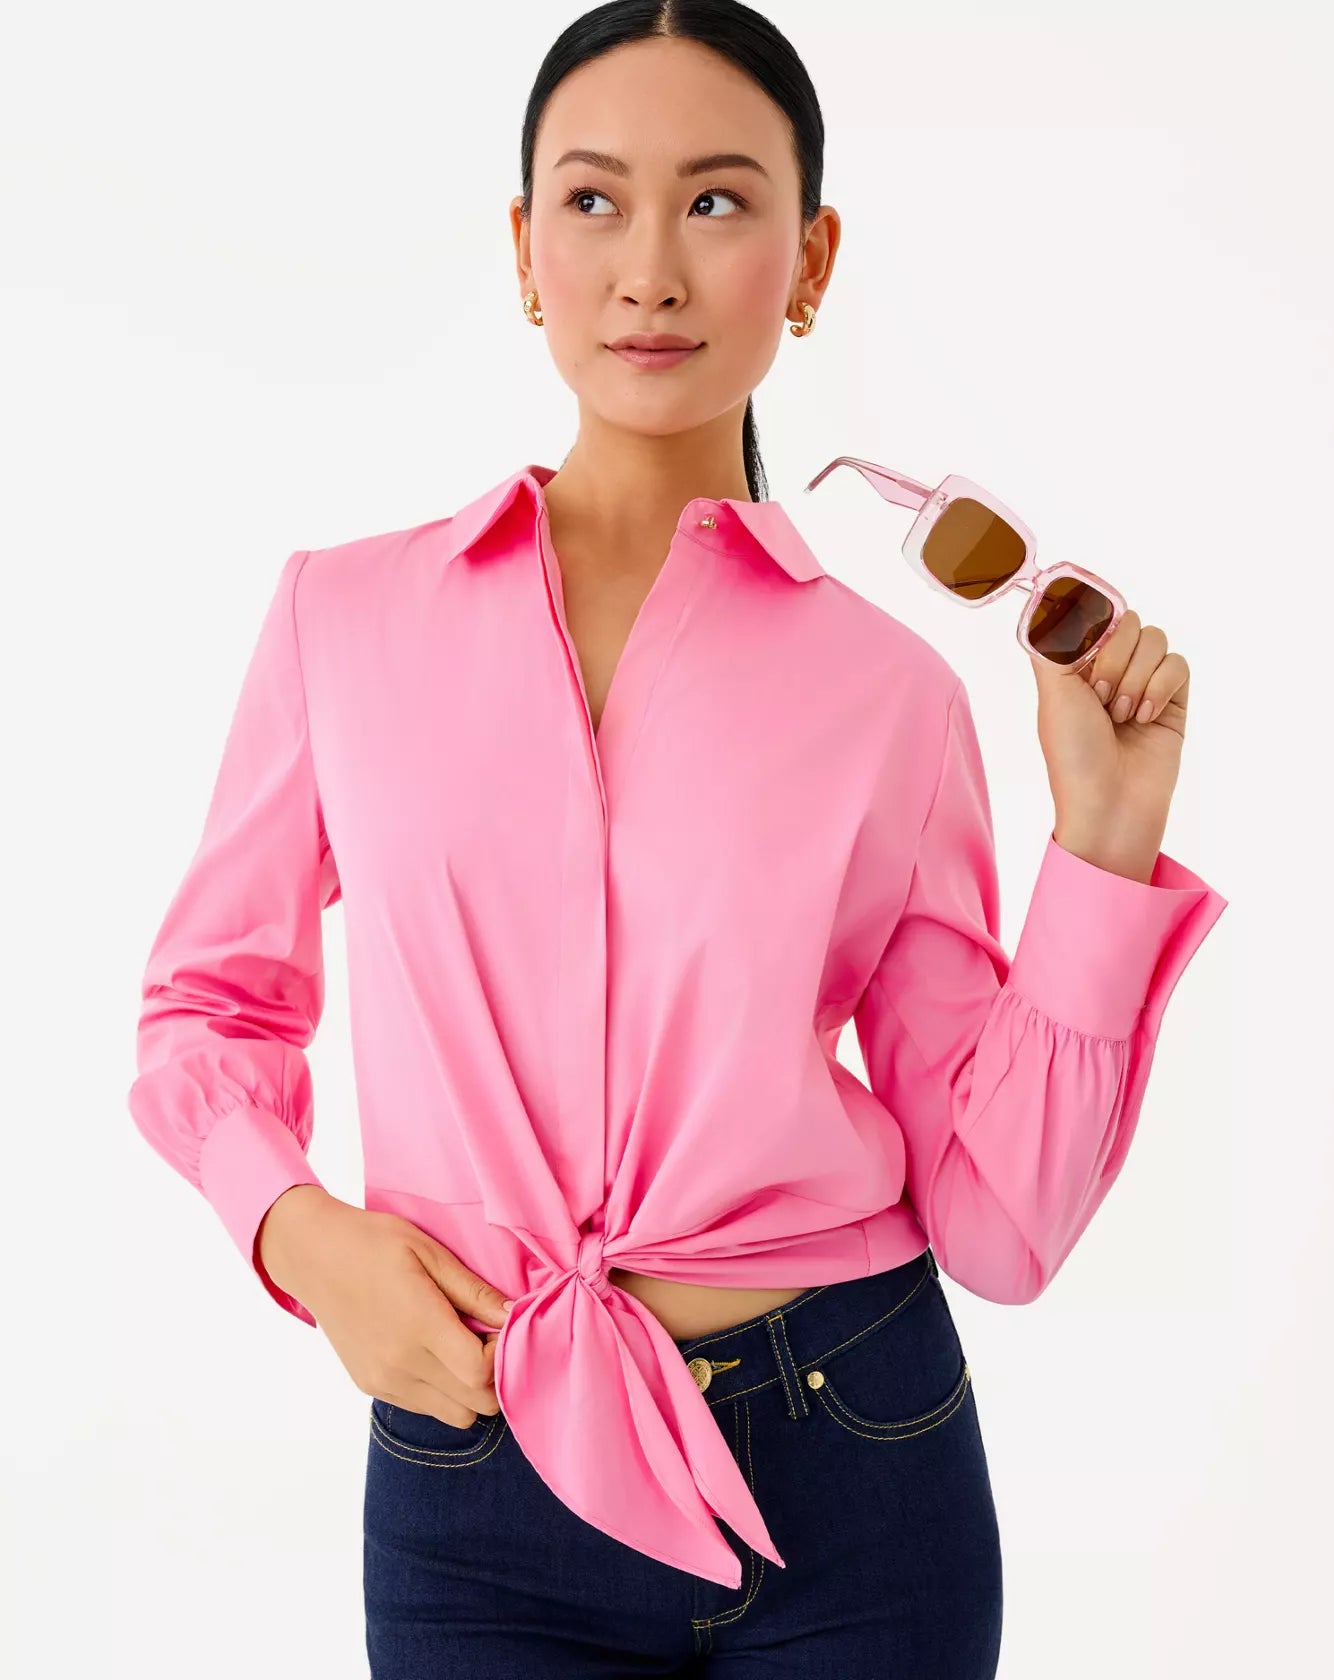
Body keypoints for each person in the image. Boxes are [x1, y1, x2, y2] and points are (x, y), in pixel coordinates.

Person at [126, 3, 1229, 1673]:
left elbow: (1001, 1227)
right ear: (525, 251)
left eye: (716, 202)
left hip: (858, 1457)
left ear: (810, 262)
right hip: (473, 1450)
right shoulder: (338, 622)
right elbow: (206, 1010)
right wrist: (302, 1237)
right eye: (594, 201)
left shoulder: (894, 700)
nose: (649, 270)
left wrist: (1104, 845)